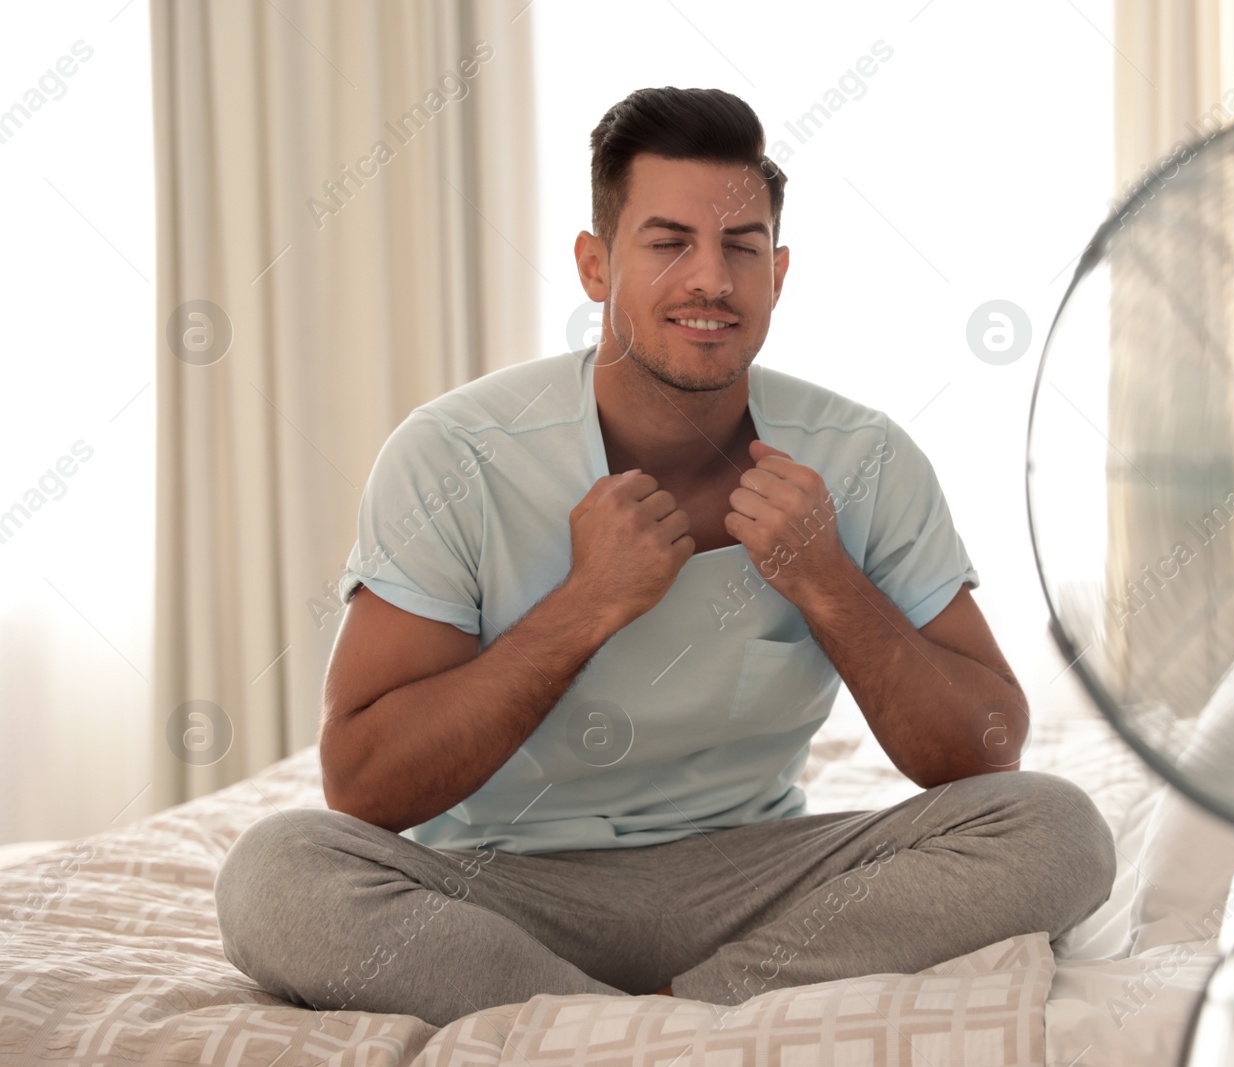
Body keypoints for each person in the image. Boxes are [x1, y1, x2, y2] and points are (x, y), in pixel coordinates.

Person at [214, 85, 1114, 1028]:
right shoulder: (454, 453)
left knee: (1059, 830)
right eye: (668, 242)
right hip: (500, 886)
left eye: (741, 246)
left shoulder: (864, 456)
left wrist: (830, 585)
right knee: (275, 872)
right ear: (595, 266)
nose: (710, 280)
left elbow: (988, 749)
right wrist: (586, 604)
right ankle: (646, 1025)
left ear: (780, 270)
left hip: (760, 878)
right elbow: (362, 785)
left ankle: (650, 1018)